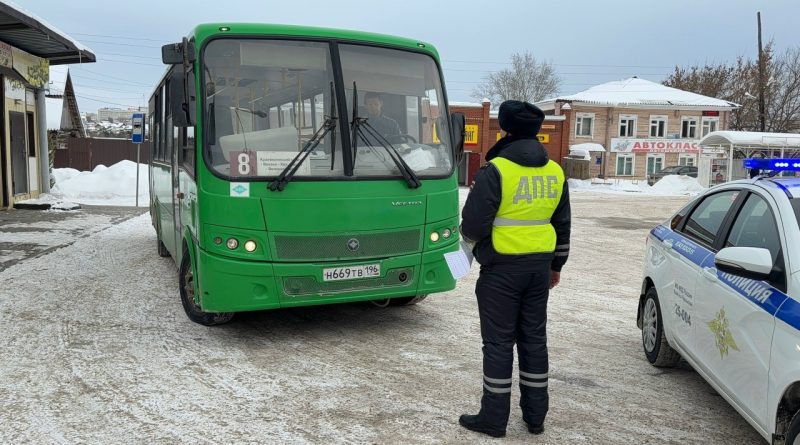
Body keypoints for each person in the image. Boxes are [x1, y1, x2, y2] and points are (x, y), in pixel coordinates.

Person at [458, 100, 571, 438]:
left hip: (502, 271)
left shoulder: (497, 170)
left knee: (498, 343)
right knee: (534, 340)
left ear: (505, 130)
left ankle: (494, 419)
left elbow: (474, 226)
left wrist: (475, 244)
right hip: (539, 269)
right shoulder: (555, 171)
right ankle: (535, 417)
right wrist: (556, 265)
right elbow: (562, 223)